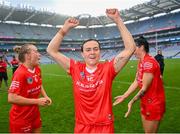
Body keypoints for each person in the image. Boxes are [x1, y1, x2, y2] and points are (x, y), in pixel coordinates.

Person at [47, 8, 136, 133]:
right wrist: (64, 29)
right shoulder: (75, 68)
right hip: (82, 127)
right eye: (88, 50)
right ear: (82, 54)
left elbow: (130, 48)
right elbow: (51, 50)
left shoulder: (108, 68)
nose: (92, 52)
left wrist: (118, 20)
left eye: (95, 49)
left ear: (100, 52)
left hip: (104, 126)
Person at [113, 36, 166, 133]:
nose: (132, 51)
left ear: (141, 47)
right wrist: (125, 96)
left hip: (154, 103)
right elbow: (137, 81)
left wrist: (131, 102)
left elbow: (144, 88)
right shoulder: (141, 61)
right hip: (146, 101)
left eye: (134, 48)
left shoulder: (149, 63)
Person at [8, 44, 52, 133]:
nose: (39, 54)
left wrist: (46, 96)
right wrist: (37, 101)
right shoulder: (20, 73)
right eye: (36, 51)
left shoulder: (37, 69)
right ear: (28, 56)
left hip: (34, 113)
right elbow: (11, 98)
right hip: (21, 117)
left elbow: (39, 83)